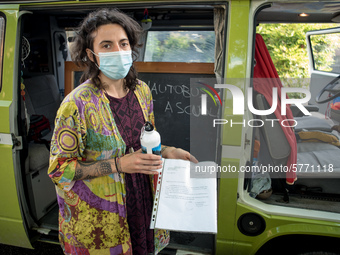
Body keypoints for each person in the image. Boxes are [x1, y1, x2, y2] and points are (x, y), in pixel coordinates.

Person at [48, 8, 197, 255]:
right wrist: (118, 164)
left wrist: (168, 151)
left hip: (143, 202)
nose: (118, 51)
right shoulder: (76, 105)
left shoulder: (142, 91)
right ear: (91, 54)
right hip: (102, 216)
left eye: (123, 43)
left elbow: (145, 141)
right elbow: (59, 170)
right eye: (106, 45)